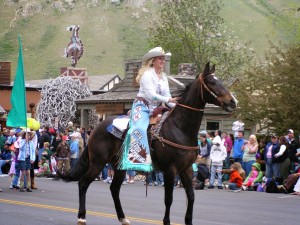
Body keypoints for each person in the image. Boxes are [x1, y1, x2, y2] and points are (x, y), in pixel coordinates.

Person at [119, 47, 177, 172]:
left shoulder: (163, 77)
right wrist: (168, 100)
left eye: (163, 59)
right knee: (138, 128)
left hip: (157, 107)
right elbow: (151, 95)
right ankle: (138, 161)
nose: (163, 61)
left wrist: (178, 107)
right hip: (142, 106)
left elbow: (168, 97)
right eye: (160, 58)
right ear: (153, 61)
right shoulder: (147, 75)